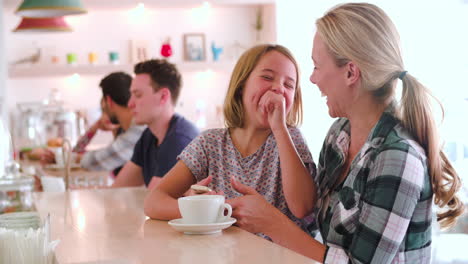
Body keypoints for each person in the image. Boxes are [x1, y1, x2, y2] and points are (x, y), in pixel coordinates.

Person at [222, 3, 465, 263]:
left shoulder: (397, 157)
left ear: (350, 72)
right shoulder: (339, 135)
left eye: (316, 66)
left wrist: (271, 223)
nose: (312, 80)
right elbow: (314, 222)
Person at [143, 44, 317, 238]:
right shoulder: (210, 143)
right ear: (242, 85)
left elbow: (303, 207)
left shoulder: (290, 139)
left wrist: (279, 128)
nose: (278, 88)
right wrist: (202, 210)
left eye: (289, 85)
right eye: (267, 77)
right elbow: (153, 202)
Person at [111, 59, 199, 189]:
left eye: (138, 95)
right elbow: (118, 189)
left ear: (163, 96)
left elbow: (152, 204)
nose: (130, 103)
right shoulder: (149, 136)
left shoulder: (179, 141)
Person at [41, 72, 145, 176]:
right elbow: (79, 151)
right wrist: (94, 128)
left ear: (108, 101)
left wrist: (63, 158)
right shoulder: (125, 131)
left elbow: (97, 161)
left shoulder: (136, 130)